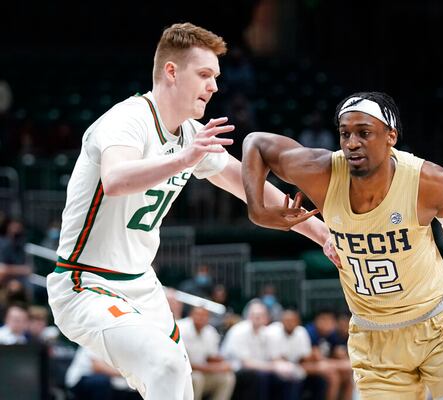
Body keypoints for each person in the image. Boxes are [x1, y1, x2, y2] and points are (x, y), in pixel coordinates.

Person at [46, 22, 332, 400]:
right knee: (164, 363)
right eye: (204, 74)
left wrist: (323, 234)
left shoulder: (189, 134)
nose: (214, 86)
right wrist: (184, 158)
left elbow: (246, 185)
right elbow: (115, 179)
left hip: (142, 286)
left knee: (178, 375)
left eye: (215, 76)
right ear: (171, 72)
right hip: (86, 284)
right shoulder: (126, 120)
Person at [241, 91, 443, 400]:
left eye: (364, 133)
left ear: (391, 135)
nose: (352, 143)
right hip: (373, 335)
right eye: (345, 134)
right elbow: (255, 142)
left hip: (437, 324)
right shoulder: (321, 171)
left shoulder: (427, 180)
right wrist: (257, 210)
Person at [178, 306, 236, 400]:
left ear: (208, 318)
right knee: (197, 378)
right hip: (182, 374)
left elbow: (210, 357)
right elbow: (183, 364)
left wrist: (224, 363)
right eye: (198, 315)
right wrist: (213, 368)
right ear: (191, 315)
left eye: (204, 316)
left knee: (228, 377)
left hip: (202, 371)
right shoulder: (181, 329)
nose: (201, 318)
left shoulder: (210, 331)